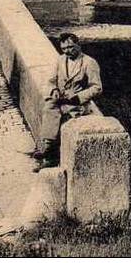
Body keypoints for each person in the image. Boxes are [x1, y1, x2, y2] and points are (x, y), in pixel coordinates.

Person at [33, 32, 103, 169]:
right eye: (64, 49)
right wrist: (54, 90)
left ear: (78, 45)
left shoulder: (89, 63)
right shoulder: (60, 60)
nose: (67, 51)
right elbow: (51, 80)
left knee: (64, 118)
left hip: (77, 102)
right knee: (49, 108)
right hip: (61, 98)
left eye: (71, 47)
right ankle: (47, 148)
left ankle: (49, 158)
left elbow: (97, 87)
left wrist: (79, 97)